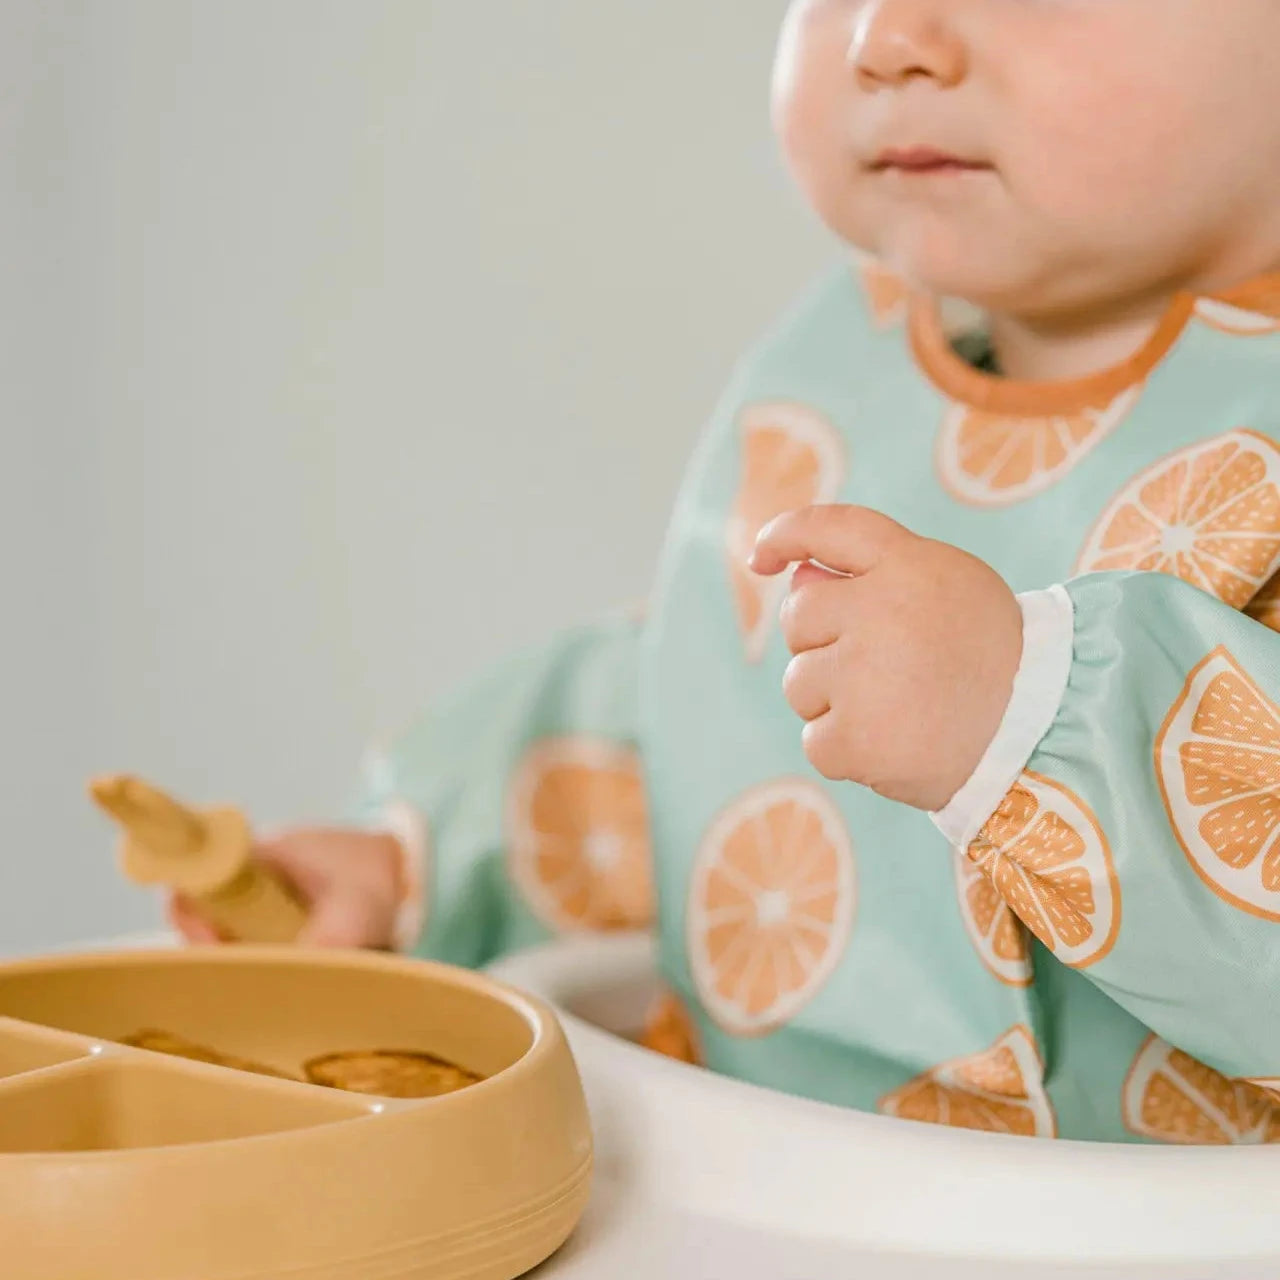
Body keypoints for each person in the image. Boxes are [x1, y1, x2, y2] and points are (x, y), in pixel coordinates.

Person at [173, 0, 1280, 1142]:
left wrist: (1037, 710)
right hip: (758, 1177)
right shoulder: (844, 371)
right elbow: (709, 697)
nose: (885, 38)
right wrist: (427, 857)